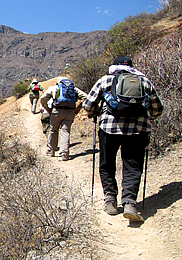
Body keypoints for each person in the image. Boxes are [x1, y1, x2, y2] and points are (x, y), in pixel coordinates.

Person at [83, 56, 163, 222]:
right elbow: (157, 108)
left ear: (114, 67)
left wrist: (96, 114)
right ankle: (129, 203)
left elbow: (88, 104)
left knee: (107, 164)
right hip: (138, 131)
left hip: (109, 129)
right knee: (133, 166)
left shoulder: (105, 80)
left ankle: (111, 201)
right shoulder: (144, 82)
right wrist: (149, 120)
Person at [40, 77, 88, 161]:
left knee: (53, 130)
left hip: (57, 111)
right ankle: (64, 154)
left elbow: (43, 98)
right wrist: (78, 108)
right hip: (70, 112)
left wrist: (47, 108)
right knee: (65, 131)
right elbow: (86, 97)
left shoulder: (54, 88)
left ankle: (51, 151)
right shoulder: (74, 89)